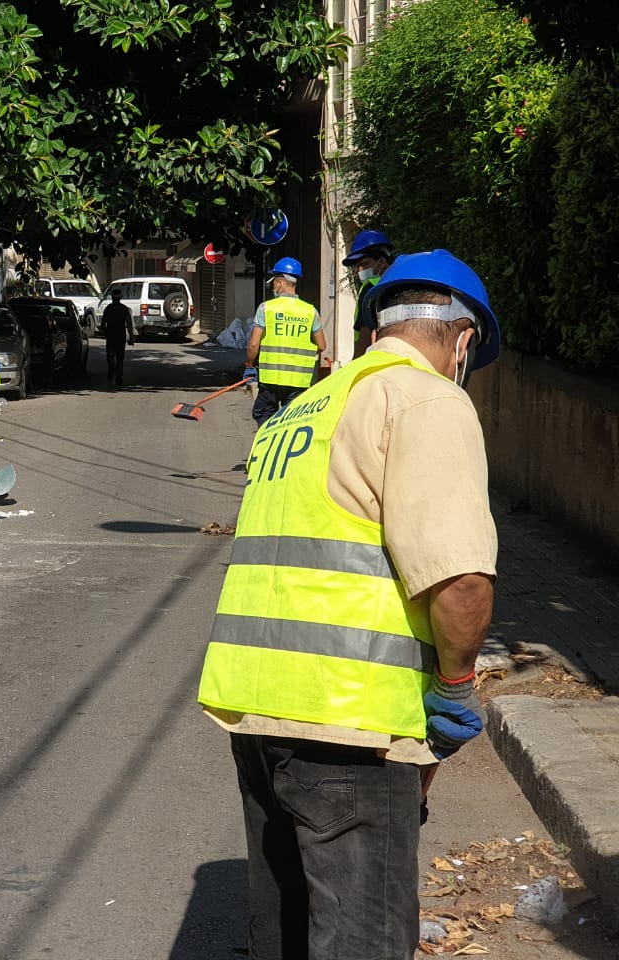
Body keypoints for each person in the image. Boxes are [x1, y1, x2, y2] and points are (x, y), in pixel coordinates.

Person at [198, 249, 501, 960]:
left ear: (372, 330)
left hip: (257, 710)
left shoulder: (298, 413)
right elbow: (460, 579)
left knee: (286, 934)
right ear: (462, 340)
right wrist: (455, 690)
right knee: (361, 938)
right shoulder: (425, 398)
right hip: (350, 726)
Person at [245, 257, 327, 425]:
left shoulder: (266, 308)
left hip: (270, 382)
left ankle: (267, 450)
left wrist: (249, 366)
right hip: (299, 383)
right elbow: (322, 345)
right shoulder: (310, 311)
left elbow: (254, 345)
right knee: (291, 426)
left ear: (280, 283)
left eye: (274, 282)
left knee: (265, 421)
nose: (273, 286)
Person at [345, 229, 396, 359]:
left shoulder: (371, 288)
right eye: (358, 266)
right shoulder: (402, 283)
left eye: (365, 264)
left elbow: (365, 334)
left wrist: (354, 366)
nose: (360, 270)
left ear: (382, 261)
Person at [100, 288, 135, 386]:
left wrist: (105, 333)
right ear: (120, 298)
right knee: (120, 358)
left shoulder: (108, 308)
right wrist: (131, 337)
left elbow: (103, 324)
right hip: (121, 337)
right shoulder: (124, 309)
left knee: (110, 357)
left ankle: (111, 370)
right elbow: (129, 324)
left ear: (112, 298)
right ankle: (119, 377)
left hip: (110, 336)